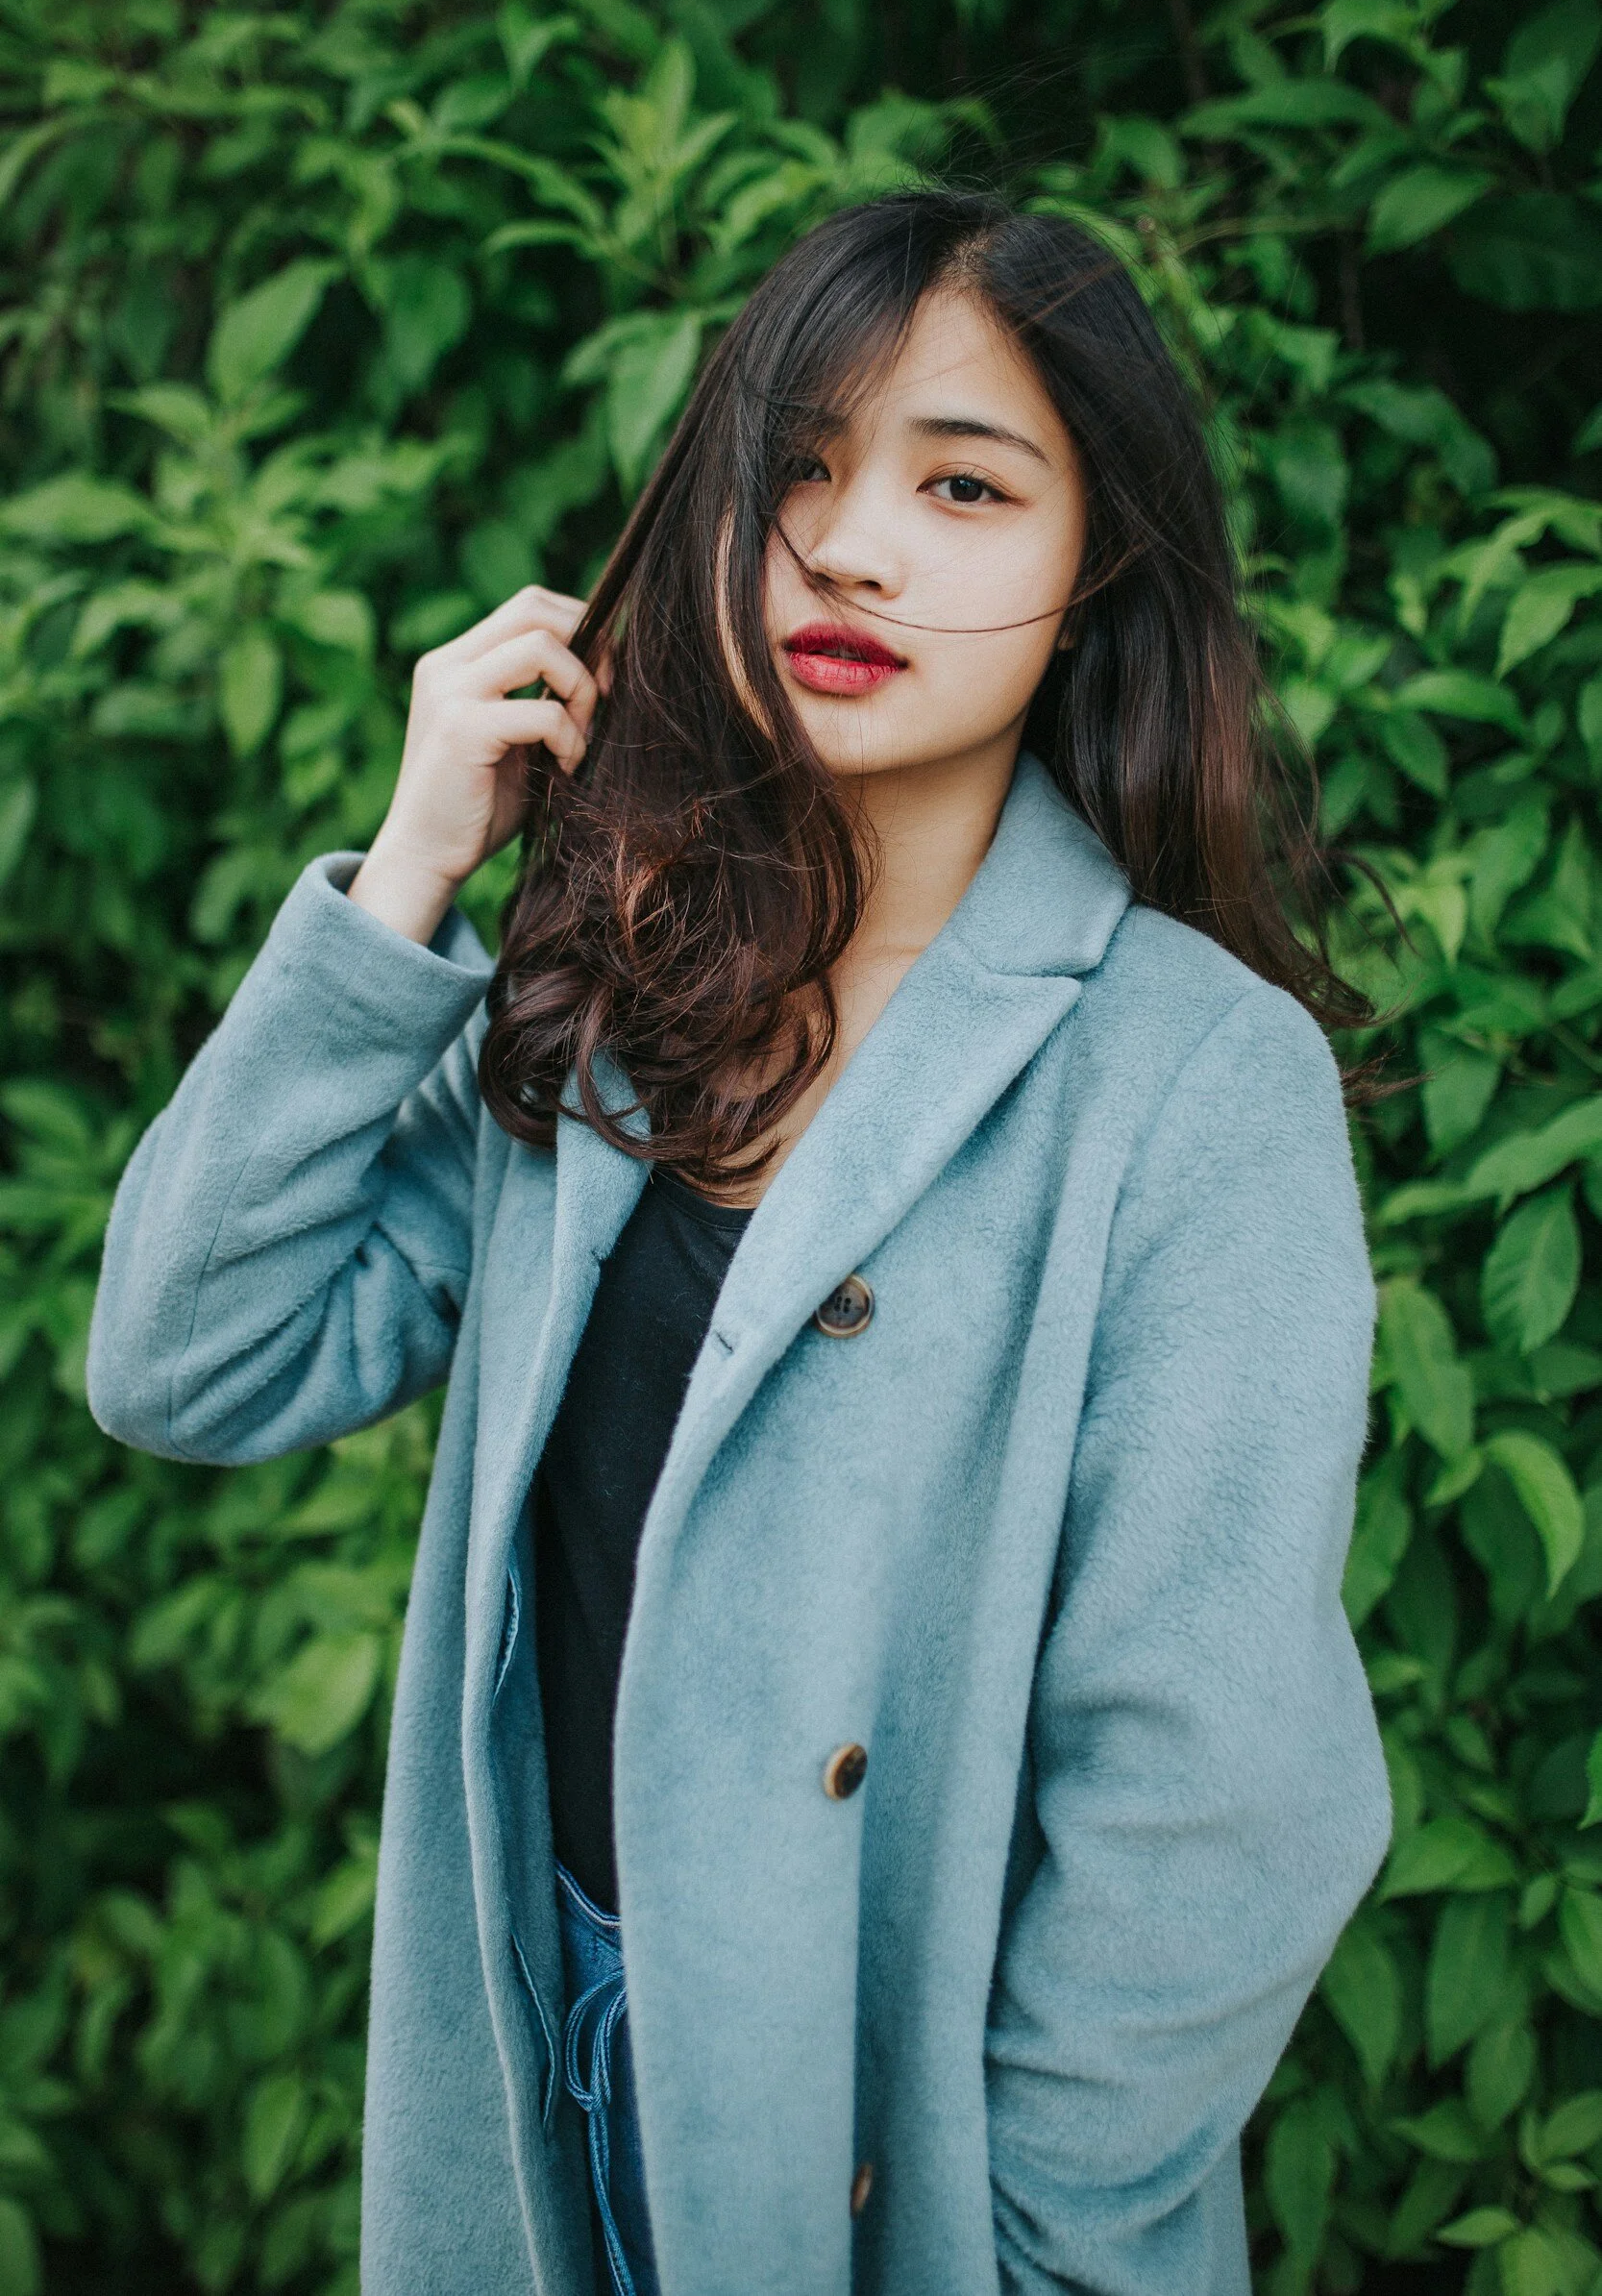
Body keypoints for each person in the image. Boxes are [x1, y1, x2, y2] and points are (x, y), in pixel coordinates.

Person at [86, 189, 1392, 2296]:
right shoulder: (615, 977)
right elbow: (182, 1354)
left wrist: (1027, 2232)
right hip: (542, 2067)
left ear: (1095, 573)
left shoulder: (1183, 1080)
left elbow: (1213, 1797)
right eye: (793, 470)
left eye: (959, 484)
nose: (851, 546)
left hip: (890, 2165)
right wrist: (409, 874)